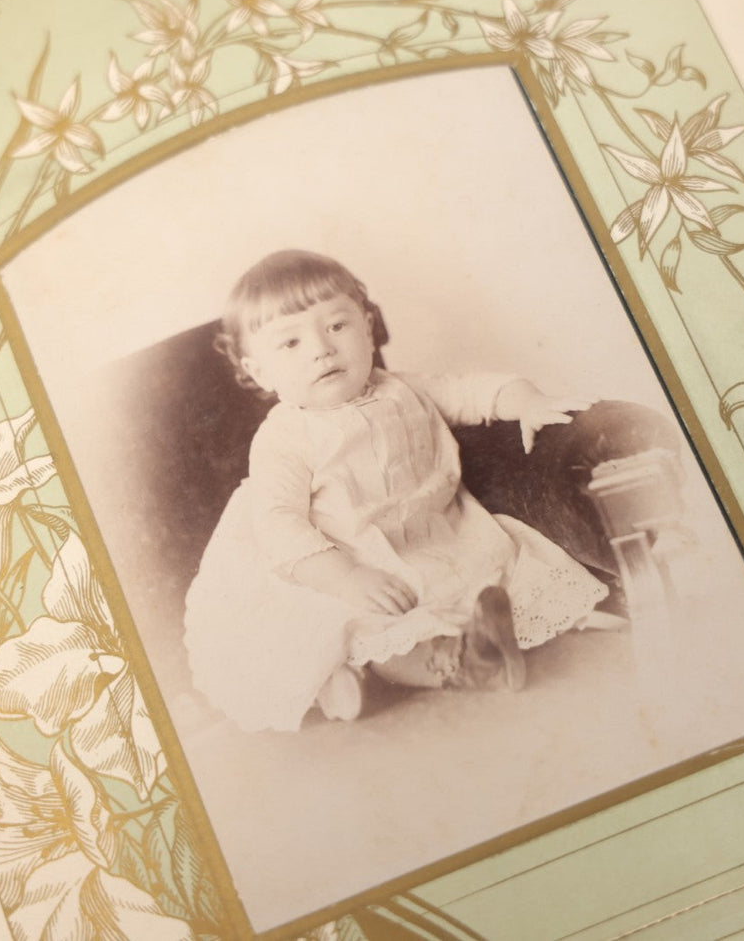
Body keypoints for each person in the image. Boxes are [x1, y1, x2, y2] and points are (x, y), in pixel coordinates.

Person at [183, 249, 614, 732]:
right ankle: (456, 662)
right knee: (371, 623)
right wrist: (346, 577)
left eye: (337, 326)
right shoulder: (285, 438)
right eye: (290, 343)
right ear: (258, 371)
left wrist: (529, 402)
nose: (321, 349)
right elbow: (279, 526)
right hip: (344, 559)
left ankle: (540, 618)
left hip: (436, 538)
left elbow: (474, 391)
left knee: (511, 564)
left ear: (368, 327)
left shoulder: (401, 388)